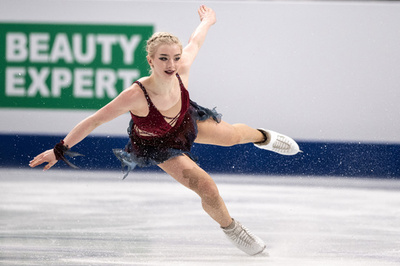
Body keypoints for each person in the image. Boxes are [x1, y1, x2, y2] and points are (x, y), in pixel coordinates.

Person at [29, 5, 300, 256]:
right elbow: (94, 121)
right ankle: (231, 228)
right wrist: (58, 150)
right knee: (206, 187)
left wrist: (207, 21)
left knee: (234, 137)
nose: (171, 65)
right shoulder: (135, 94)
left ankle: (265, 137)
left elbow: (195, 41)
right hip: (158, 144)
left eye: (175, 58)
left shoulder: (181, 70)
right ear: (151, 59)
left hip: (185, 121)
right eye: (163, 59)